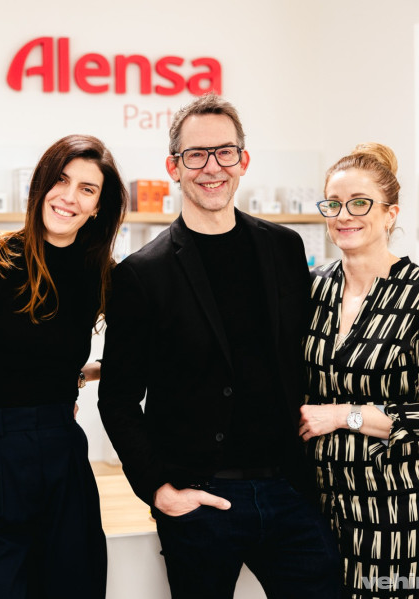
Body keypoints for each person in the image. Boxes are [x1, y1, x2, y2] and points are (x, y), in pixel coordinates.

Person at [98, 94, 341, 598]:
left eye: (225, 152)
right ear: (174, 167)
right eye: (196, 155)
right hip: (200, 498)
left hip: (290, 491)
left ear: (243, 160)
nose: (212, 167)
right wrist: (159, 489)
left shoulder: (284, 248)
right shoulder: (142, 274)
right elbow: (117, 399)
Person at [0, 134, 126, 598]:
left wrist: (80, 375)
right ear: (41, 184)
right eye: (61, 180)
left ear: (99, 206)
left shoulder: (102, 273)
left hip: (63, 455)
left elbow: (133, 356)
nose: (69, 197)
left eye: (87, 189)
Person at [299, 143, 419, 599]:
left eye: (359, 203)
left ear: (390, 214)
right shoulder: (313, 289)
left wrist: (342, 415)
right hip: (316, 506)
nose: (343, 215)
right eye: (334, 204)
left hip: (393, 512)